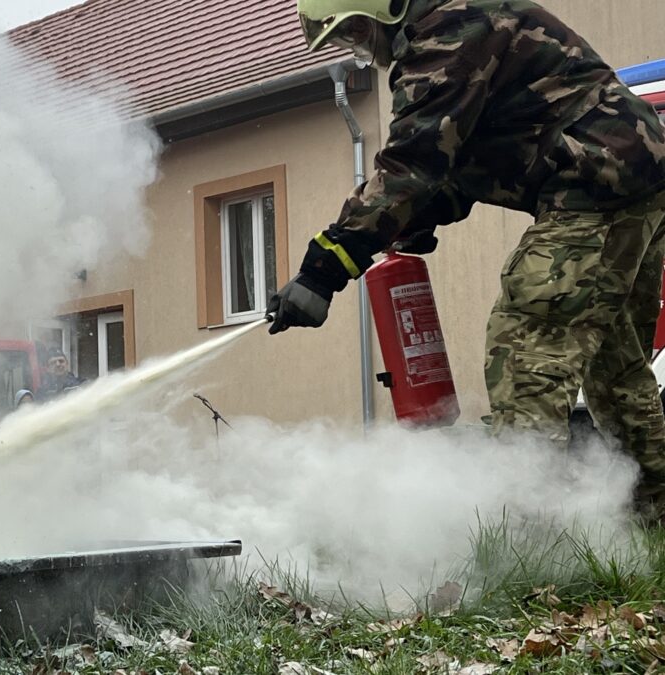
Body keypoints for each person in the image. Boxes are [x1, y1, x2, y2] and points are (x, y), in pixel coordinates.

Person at [267, 0, 665, 515]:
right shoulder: (457, 19)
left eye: (359, 31)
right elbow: (465, 158)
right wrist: (419, 215)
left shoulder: (446, 31)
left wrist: (325, 267)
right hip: (631, 176)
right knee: (616, 365)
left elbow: (414, 161)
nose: (365, 49)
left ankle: (534, 542)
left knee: (527, 348)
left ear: (386, 9)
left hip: (596, 182)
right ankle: (652, 515)